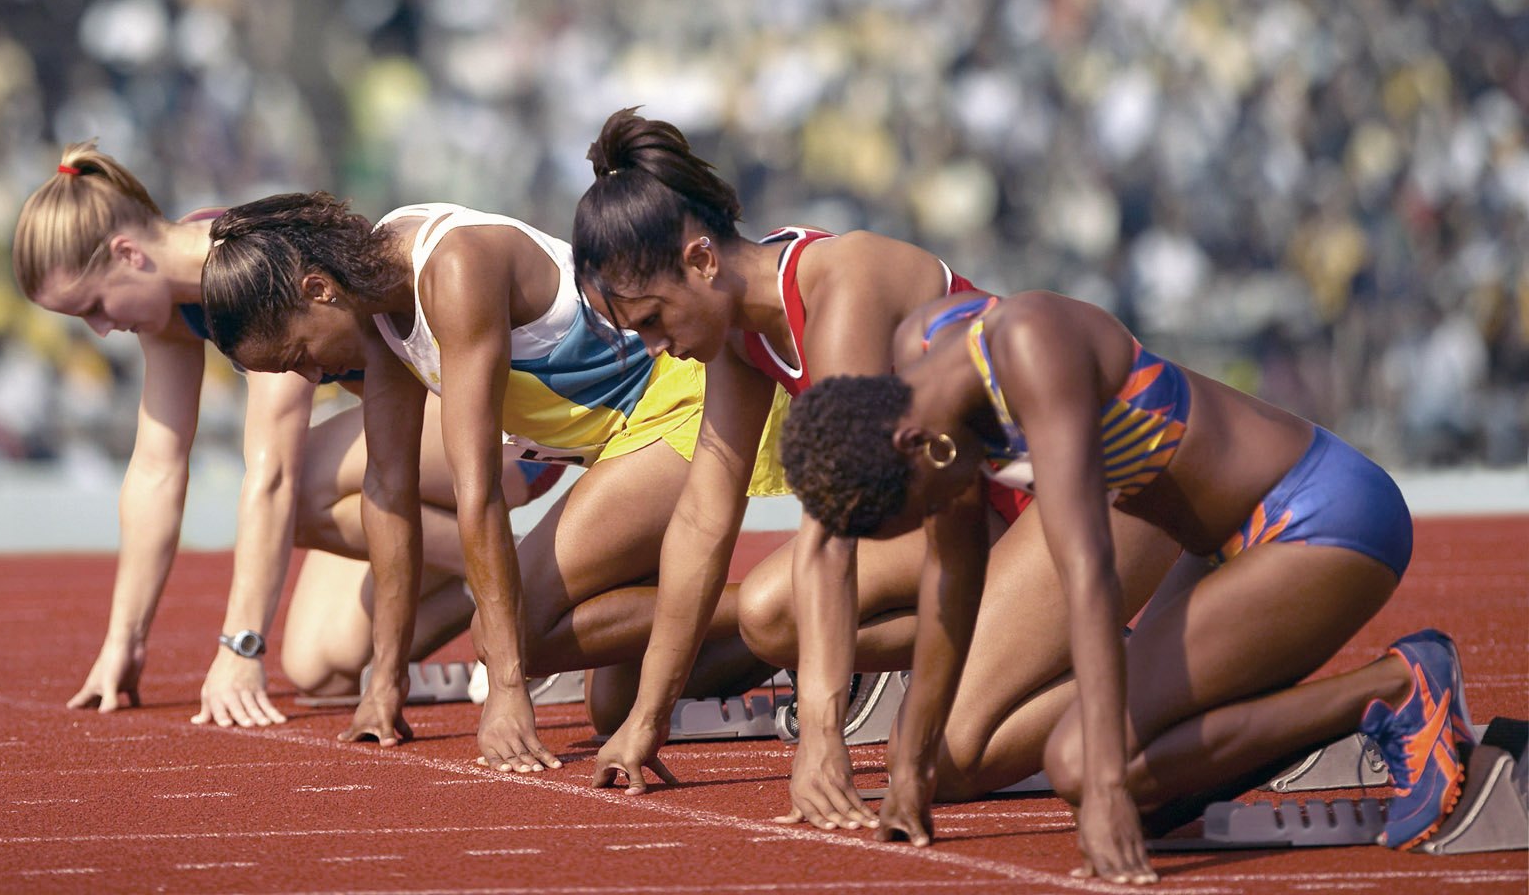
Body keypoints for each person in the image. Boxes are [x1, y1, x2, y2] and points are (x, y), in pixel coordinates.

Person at [569, 107, 1178, 824]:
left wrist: (820, 734)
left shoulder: (841, 285)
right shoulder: (735, 334)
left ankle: (1196, 677)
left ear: (702, 261)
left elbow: (836, 530)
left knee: (943, 759)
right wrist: (648, 716)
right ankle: (1041, 649)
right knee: (769, 615)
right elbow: (703, 518)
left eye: (651, 320)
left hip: (1107, 487)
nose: (654, 347)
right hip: (988, 516)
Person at [780, 288, 1472, 880]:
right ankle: (1304, 717)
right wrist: (911, 772)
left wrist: (1107, 784)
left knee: (1088, 768)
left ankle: (1393, 689)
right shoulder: (920, 370)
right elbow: (952, 577)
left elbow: (1089, 574)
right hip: (1222, 550)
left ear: (912, 444)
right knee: (1147, 797)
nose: (936, 516)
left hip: (1319, 518)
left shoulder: (1029, 349)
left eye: (921, 506)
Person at [200, 193, 792, 774]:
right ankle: (802, 626)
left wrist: (509, 686)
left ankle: (814, 600)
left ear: (317, 290)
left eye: (297, 353)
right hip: (620, 444)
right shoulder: (373, 294)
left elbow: (477, 489)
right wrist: (386, 678)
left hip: (684, 399)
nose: (309, 374)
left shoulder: (452, 268)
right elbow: (388, 486)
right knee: (612, 706)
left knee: (515, 636)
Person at [13, 142, 540, 725]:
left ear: (128, 254)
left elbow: (274, 474)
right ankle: (520, 589)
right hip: (409, 441)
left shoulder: (254, 271)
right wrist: (125, 639)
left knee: (303, 484)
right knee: (322, 666)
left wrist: (240, 646)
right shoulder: (171, 306)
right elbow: (157, 467)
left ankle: (522, 592)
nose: (103, 329)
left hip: (499, 429)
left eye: (95, 307)